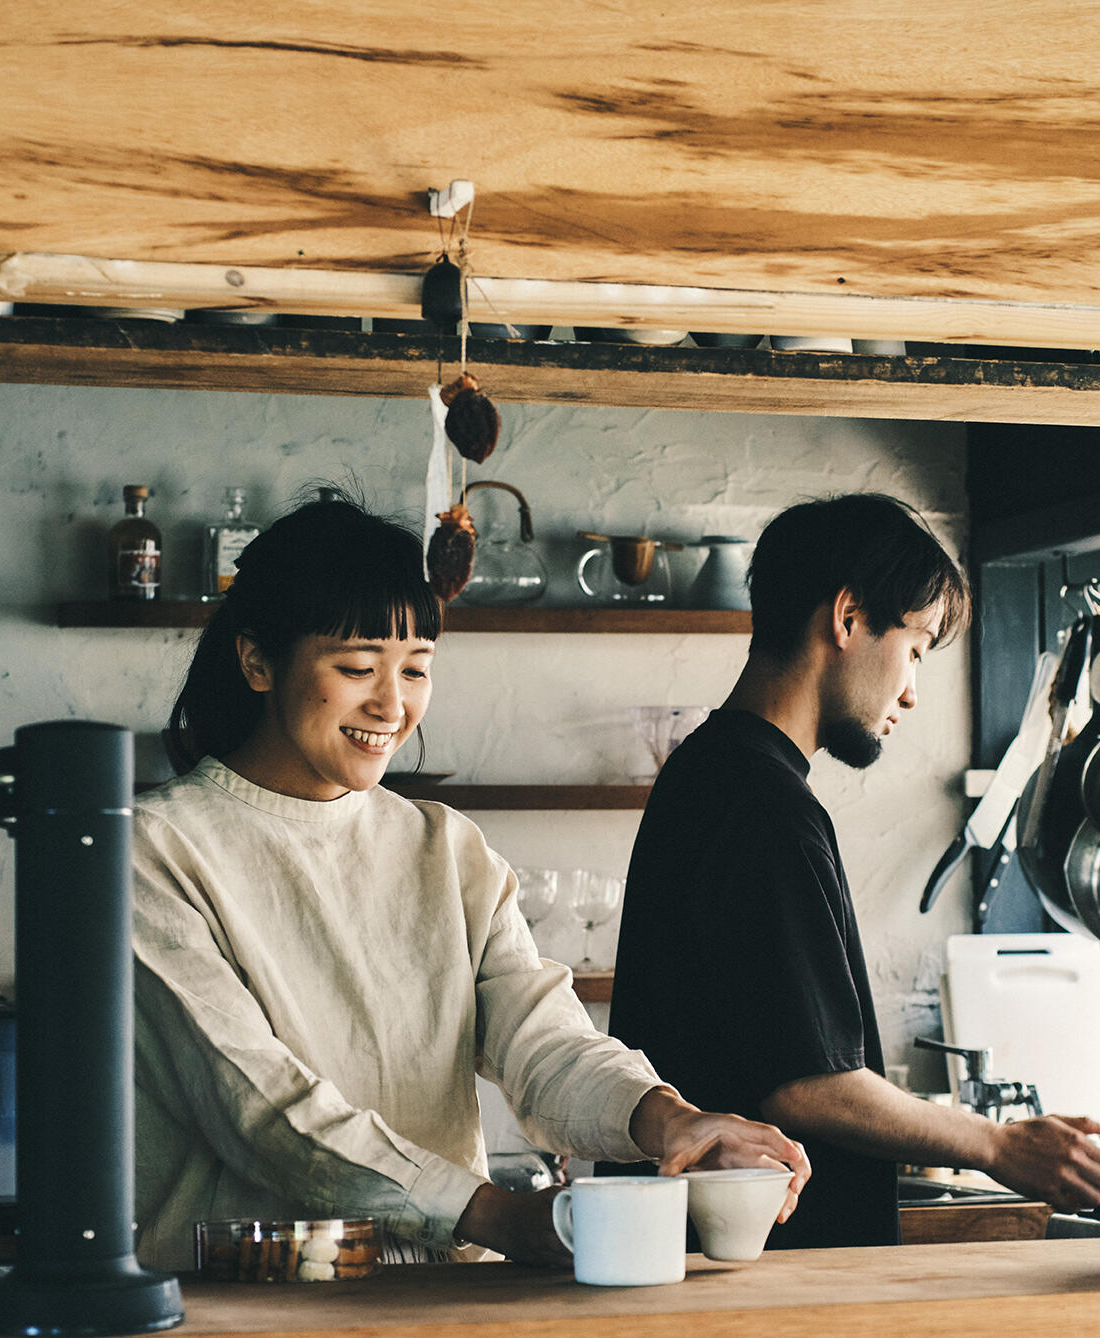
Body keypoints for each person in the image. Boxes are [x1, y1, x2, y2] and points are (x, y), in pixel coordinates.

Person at [132, 492, 808, 1272]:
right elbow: (260, 1111)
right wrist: (497, 1218)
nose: (392, 704)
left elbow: (545, 1045)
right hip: (246, 1315)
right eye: (357, 668)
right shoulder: (156, 850)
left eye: (416, 670)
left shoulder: (444, 848)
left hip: (442, 1307)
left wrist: (669, 1119)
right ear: (257, 661)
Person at [609, 494, 1100, 1250]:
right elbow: (805, 1084)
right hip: (755, 1279)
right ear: (846, 618)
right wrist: (998, 1144)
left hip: (718, 1263)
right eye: (914, 648)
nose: (911, 690)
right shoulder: (759, 802)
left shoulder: (717, 775)